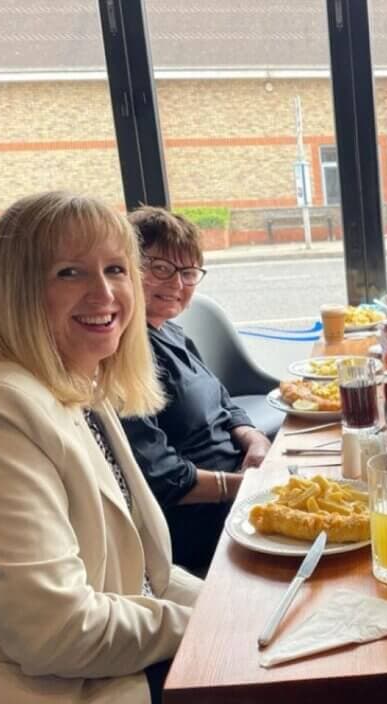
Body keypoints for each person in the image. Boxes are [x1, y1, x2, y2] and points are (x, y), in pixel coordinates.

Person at [0, 192, 383, 704]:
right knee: (342, 697)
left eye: (115, 269)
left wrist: (249, 610)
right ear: (16, 289)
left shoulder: (80, 385)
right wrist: (219, 625)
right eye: (69, 272)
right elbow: (55, 632)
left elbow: (150, 574)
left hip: (110, 665)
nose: (104, 293)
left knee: (340, 654)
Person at [121, 206, 273, 572]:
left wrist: (254, 439)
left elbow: (223, 400)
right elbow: (164, 479)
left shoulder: (172, 331)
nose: (177, 284)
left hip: (239, 489)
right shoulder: (126, 356)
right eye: (161, 268)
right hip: (203, 523)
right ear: (127, 268)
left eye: (188, 272)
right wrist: (247, 486)